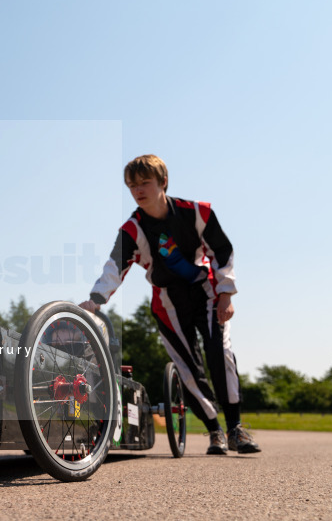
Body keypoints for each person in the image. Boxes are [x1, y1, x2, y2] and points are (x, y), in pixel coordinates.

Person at [79, 154, 260, 455]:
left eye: (145, 183)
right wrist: (95, 300)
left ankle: (236, 429)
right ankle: (214, 430)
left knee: (220, 354)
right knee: (188, 368)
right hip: (168, 302)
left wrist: (226, 293)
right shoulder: (131, 230)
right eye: (132, 185)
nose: (138, 190)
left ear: (163, 182)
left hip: (207, 293)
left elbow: (222, 250)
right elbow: (115, 267)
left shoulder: (197, 213)